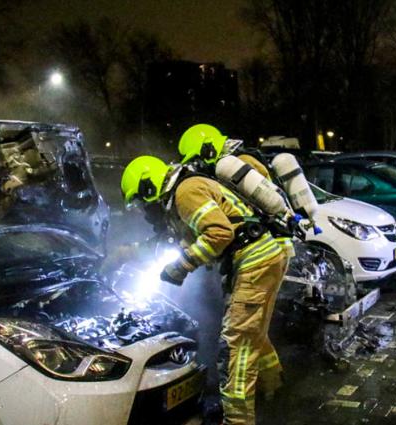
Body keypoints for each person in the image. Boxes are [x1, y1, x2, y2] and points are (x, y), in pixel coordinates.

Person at [120, 155, 288, 425]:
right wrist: (130, 253)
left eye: (141, 201)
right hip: (263, 257)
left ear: (149, 187)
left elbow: (220, 234)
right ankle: (273, 386)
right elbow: (187, 239)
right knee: (251, 331)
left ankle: (237, 420)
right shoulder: (189, 187)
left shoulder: (185, 192)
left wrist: (181, 267)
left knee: (234, 349)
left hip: (253, 263)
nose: (144, 210)